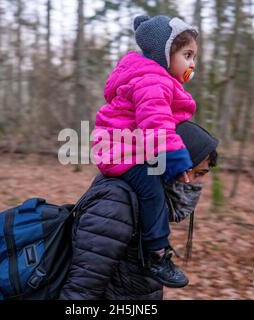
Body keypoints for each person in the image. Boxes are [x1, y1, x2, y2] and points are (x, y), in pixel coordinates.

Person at [92, 15, 200, 288]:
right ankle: (157, 254)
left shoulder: (156, 79)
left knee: (156, 188)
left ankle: (146, 237)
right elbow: (157, 124)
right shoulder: (153, 81)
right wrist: (176, 160)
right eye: (187, 55)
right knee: (151, 191)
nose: (192, 64)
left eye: (194, 57)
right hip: (121, 151)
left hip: (132, 147)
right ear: (165, 54)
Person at [59, 121, 219, 300]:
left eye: (200, 175)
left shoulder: (149, 203)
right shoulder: (117, 202)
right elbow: (82, 288)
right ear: (169, 160)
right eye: (195, 173)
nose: (193, 183)